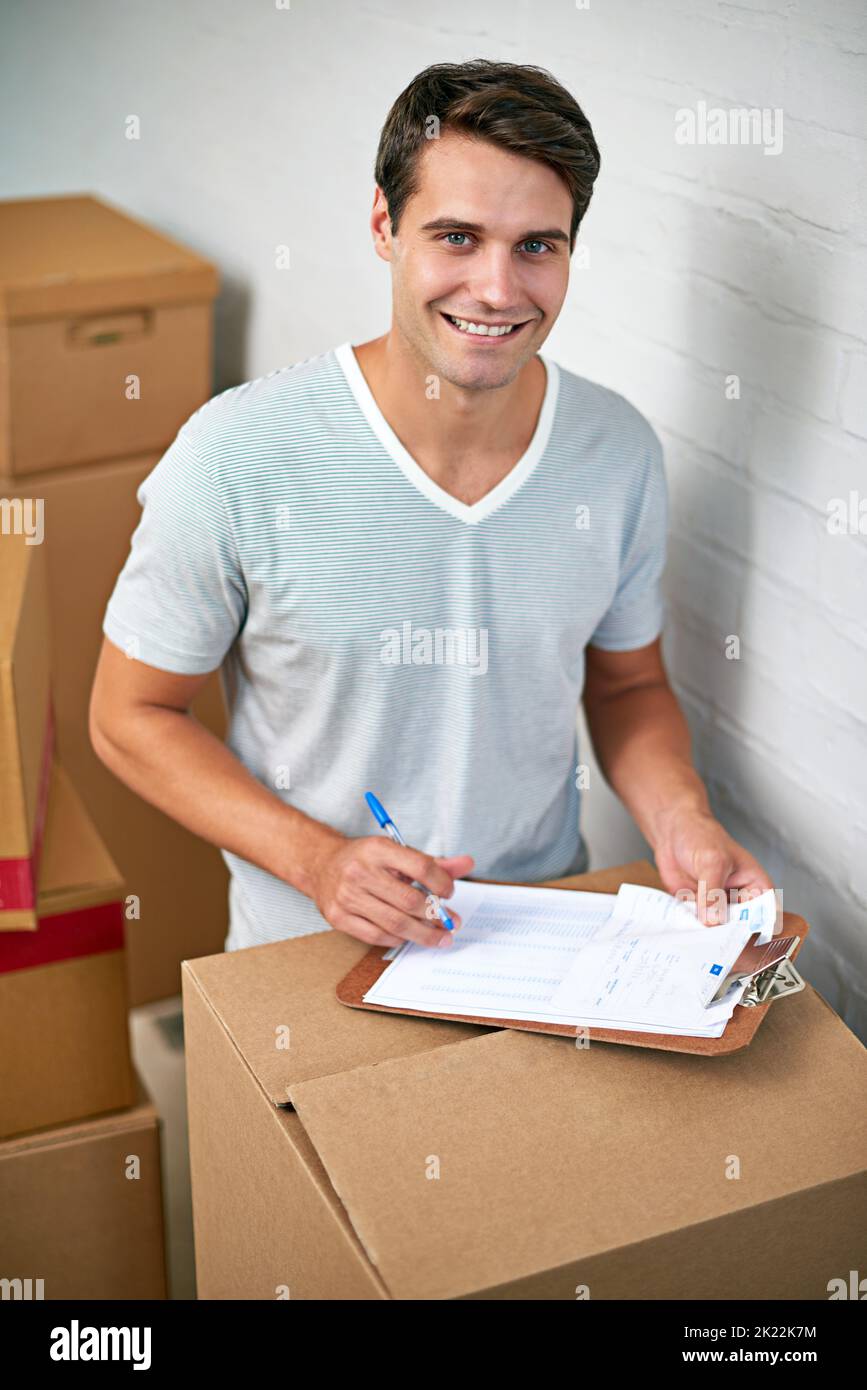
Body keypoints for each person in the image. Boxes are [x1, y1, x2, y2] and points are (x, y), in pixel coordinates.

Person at [89, 58, 773, 954]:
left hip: (541, 944)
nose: (496, 289)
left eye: (537, 245)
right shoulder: (235, 456)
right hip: (306, 954)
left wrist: (679, 818)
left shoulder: (616, 453)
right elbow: (129, 715)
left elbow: (629, 684)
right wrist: (319, 860)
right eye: (456, 237)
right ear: (384, 224)